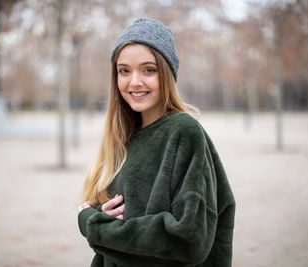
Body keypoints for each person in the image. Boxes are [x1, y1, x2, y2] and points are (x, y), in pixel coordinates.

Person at [77, 18, 235, 267]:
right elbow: (120, 216)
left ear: (167, 73)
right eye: (124, 70)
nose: (134, 81)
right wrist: (99, 214)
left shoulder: (184, 132)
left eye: (148, 69)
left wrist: (93, 225)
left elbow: (189, 238)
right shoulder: (122, 138)